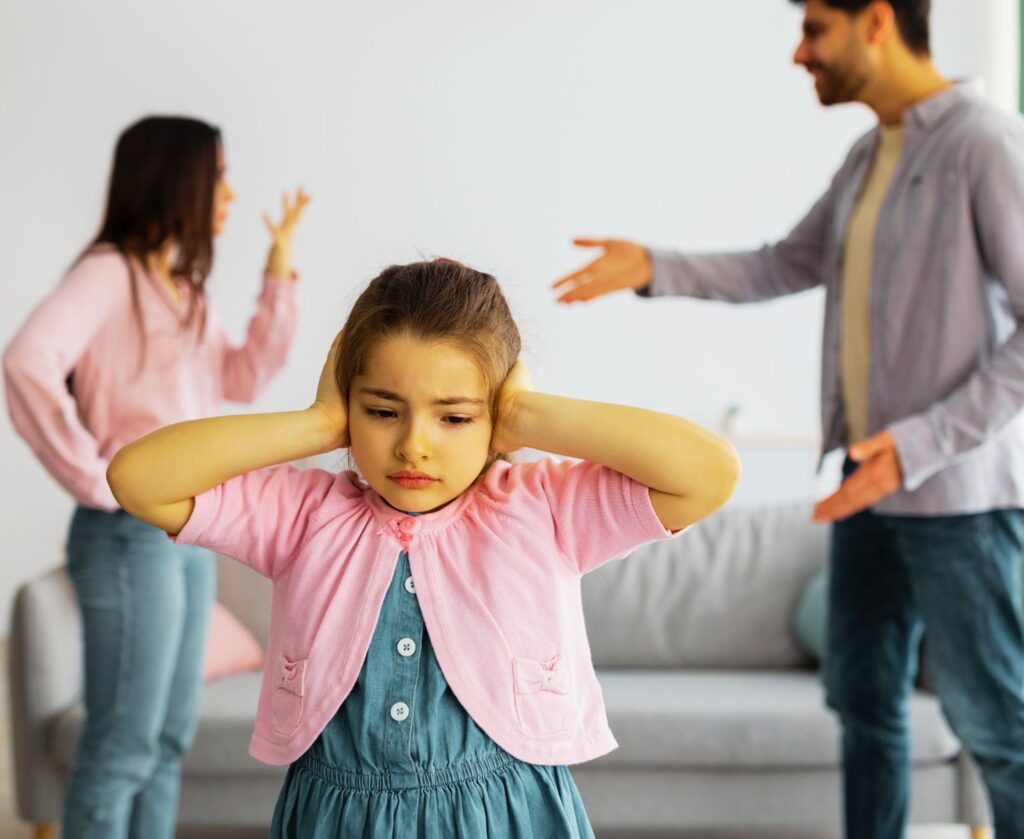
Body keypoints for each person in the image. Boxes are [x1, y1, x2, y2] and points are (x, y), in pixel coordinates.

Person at [551, 1, 1024, 836]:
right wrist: (656, 267)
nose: (799, 52)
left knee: (998, 726)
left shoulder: (984, 143)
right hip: (864, 493)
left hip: (959, 502)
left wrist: (916, 446)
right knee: (864, 706)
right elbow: (782, 263)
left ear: (876, 21)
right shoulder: (868, 157)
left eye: (815, 28)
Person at [105, 258, 740, 837]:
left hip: (512, 817)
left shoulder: (541, 508)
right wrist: (316, 424)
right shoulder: (302, 516)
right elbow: (137, 479)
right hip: (336, 819)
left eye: (455, 417)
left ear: (494, 414)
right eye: (382, 412)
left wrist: (527, 414)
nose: (415, 445)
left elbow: (709, 473)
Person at [3, 115, 310, 839]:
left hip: (186, 530)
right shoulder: (107, 273)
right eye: (221, 176)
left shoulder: (183, 290)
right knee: (124, 743)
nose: (231, 193)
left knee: (166, 741)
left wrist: (279, 268)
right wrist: (99, 481)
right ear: (180, 180)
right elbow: (26, 361)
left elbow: (242, 376)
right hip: (128, 534)